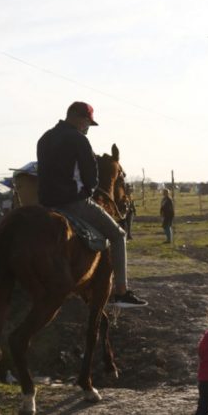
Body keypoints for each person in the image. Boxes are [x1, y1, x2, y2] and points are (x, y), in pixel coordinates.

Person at [36, 101, 147, 307]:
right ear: (80, 119)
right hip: (73, 202)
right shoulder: (79, 140)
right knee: (118, 235)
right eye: (88, 123)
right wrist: (87, 191)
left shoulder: (45, 138)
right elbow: (91, 177)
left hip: (45, 203)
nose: (87, 127)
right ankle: (121, 292)